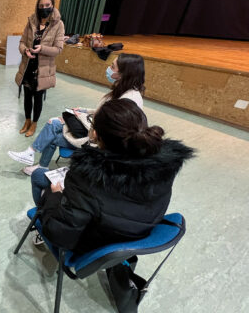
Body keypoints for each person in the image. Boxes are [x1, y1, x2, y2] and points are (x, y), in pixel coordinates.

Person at [29, 99, 194, 250]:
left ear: (95, 134)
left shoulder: (87, 178)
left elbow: (60, 234)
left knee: (39, 176)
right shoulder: (163, 167)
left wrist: (55, 196)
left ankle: (40, 220)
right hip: (136, 235)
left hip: (96, 242)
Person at [8, 53, 146, 175]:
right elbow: (102, 112)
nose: (108, 68)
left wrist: (77, 117)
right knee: (53, 122)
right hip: (93, 131)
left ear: (123, 73)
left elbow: (104, 128)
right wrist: (82, 111)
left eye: (112, 66)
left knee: (53, 133)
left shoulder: (129, 100)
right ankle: (33, 156)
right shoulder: (122, 90)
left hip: (98, 141)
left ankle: (37, 161)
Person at [15, 0, 65, 137]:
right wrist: (25, 51)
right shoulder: (31, 21)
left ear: (53, 4)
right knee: (27, 96)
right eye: (41, 5)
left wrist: (42, 48)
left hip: (42, 70)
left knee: (37, 98)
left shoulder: (58, 24)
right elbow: (22, 42)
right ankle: (27, 120)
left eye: (47, 5)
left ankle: (34, 123)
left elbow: (58, 49)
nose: (44, 8)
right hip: (28, 66)